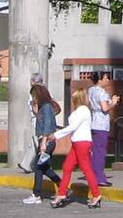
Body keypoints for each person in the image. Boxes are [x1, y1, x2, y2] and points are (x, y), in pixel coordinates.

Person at [47, 86, 102, 209]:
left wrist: (55, 135)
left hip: (82, 143)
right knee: (67, 167)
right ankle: (61, 193)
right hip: (77, 143)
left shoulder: (83, 111)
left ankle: (96, 194)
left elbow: (73, 126)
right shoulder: (79, 111)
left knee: (86, 169)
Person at [19, 75, 61, 204]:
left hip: (47, 141)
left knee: (38, 167)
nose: (33, 99)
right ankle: (63, 186)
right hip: (44, 140)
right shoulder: (43, 108)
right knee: (44, 168)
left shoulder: (46, 107)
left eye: (34, 96)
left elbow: (48, 126)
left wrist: (43, 143)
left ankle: (36, 194)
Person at [87, 73, 116, 188]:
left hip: (94, 122)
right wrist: (113, 102)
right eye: (105, 78)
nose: (107, 80)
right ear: (99, 79)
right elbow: (105, 108)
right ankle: (99, 177)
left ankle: (94, 174)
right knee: (100, 152)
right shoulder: (101, 92)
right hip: (101, 124)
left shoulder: (91, 90)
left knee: (95, 151)